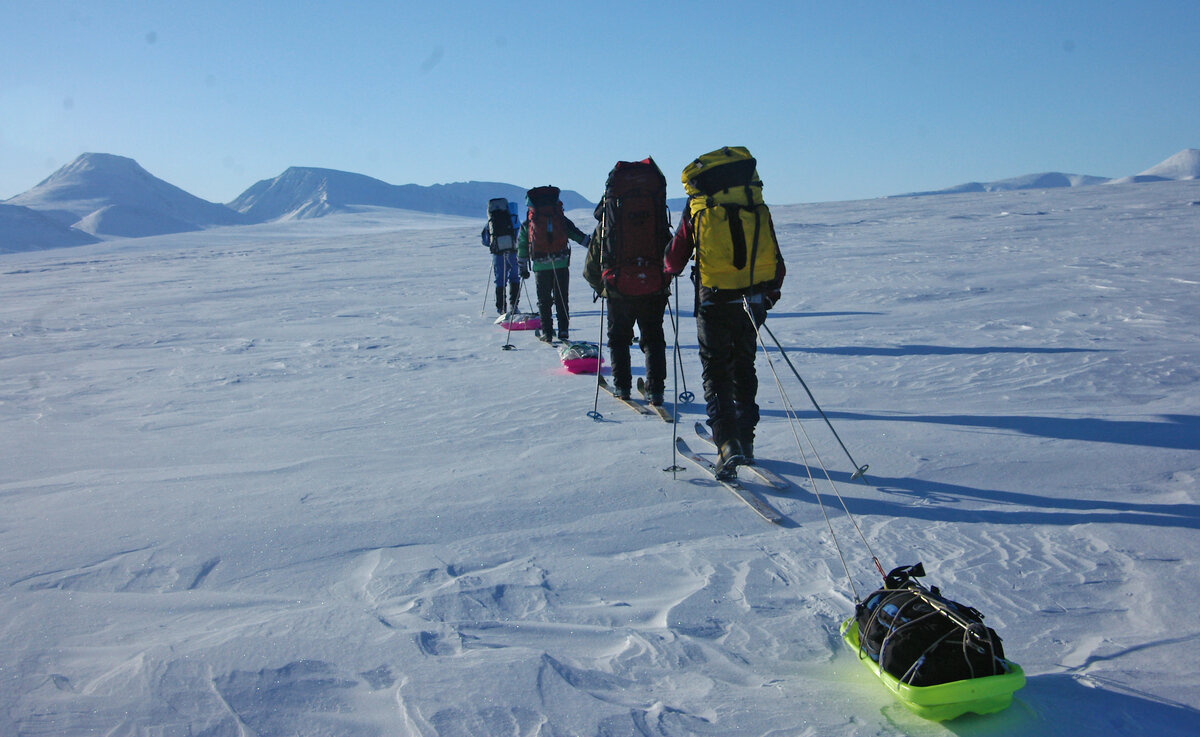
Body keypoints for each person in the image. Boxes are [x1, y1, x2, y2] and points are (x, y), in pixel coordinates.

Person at [664, 147, 785, 478]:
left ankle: (727, 443)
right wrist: (767, 296)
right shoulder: (754, 204)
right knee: (745, 367)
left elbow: (673, 260)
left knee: (716, 373)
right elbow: (776, 258)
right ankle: (746, 440)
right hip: (753, 299)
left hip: (713, 301)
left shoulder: (698, 207)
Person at [583, 158, 671, 402]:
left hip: (617, 285)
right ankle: (656, 389)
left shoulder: (609, 218)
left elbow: (592, 263)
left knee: (618, 338)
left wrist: (602, 286)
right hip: (654, 283)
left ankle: (622, 386)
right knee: (653, 337)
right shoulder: (655, 210)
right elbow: (668, 246)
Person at [517, 186, 589, 342]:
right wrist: (596, 246)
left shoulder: (529, 222)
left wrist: (522, 268)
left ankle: (547, 333)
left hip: (540, 266)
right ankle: (563, 331)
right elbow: (578, 236)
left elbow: (522, 246)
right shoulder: (560, 219)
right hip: (561, 263)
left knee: (544, 301)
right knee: (562, 298)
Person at [482, 197, 522, 314]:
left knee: (500, 280)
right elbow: (520, 236)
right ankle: (514, 306)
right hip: (513, 252)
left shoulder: (491, 220)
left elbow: (485, 240)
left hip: (497, 253)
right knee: (514, 277)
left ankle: (501, 308)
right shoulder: (514, 219)